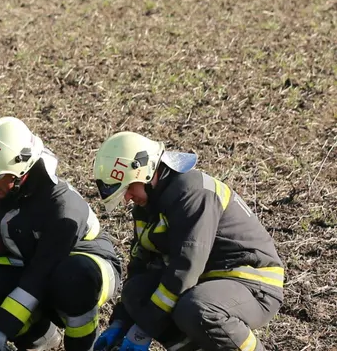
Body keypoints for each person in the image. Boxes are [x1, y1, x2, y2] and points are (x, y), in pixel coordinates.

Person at [0, 117, 122, 351]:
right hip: (40, 273)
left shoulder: (61, 207)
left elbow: (42, 273)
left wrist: (1, 329)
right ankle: (41, 340)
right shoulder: (0, 199)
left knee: (72, 277)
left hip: (86, 272)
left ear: (20, 172)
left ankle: (82, 346)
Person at [90, 132, 285, 351]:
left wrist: (143, 329)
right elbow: (141, 267)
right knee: (137, 292)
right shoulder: (147, 207)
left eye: (127, 188)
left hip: (251, 282)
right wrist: (121, 322)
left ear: (143, 172)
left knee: (197, 309)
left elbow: (185, 268)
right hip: (202, 284)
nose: (126, 198)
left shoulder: (192, 192)